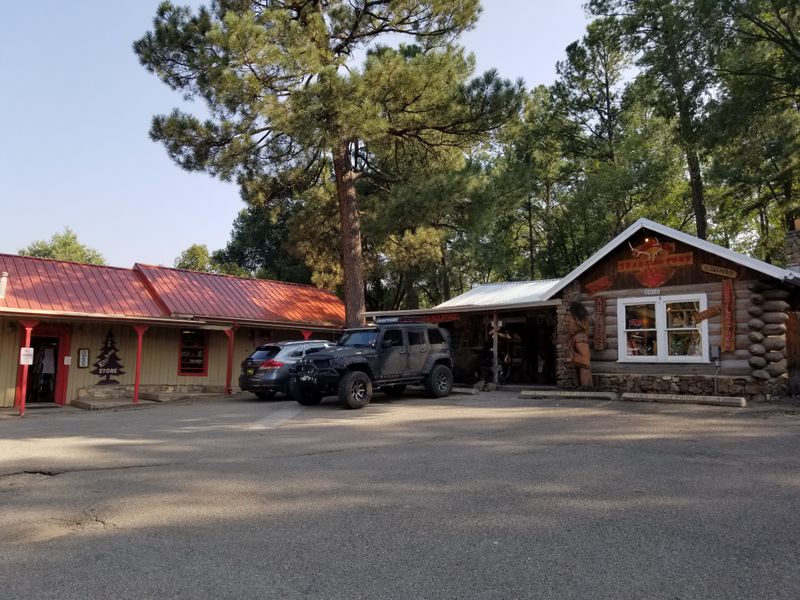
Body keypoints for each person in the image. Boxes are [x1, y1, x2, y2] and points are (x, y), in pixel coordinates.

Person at [565, 302, 593, 388]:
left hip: (584, 379)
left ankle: (585, 388)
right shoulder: (574, 337)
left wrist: (572, 357)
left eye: (569, 316)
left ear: (576, 319)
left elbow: (586, 361)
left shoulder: (580, 337)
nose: (566, 319)